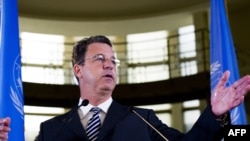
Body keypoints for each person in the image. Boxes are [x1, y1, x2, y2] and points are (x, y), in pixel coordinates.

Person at [1, 35, 250, 141]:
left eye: (113, 60)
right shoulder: (51, 131)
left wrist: (215, 113)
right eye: (100, 59)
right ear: (78, 70)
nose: (110, 65)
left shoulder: (144, 120)